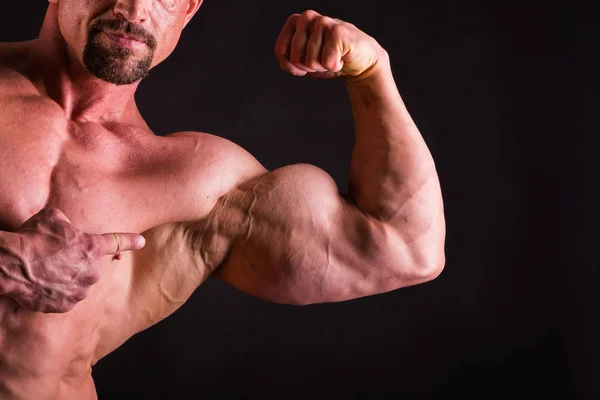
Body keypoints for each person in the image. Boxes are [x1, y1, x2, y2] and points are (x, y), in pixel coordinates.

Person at [0, 0, 446, 398]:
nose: (133, 9)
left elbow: (404, 249)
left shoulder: (193, 182)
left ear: (189, 11)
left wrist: (372, 75)